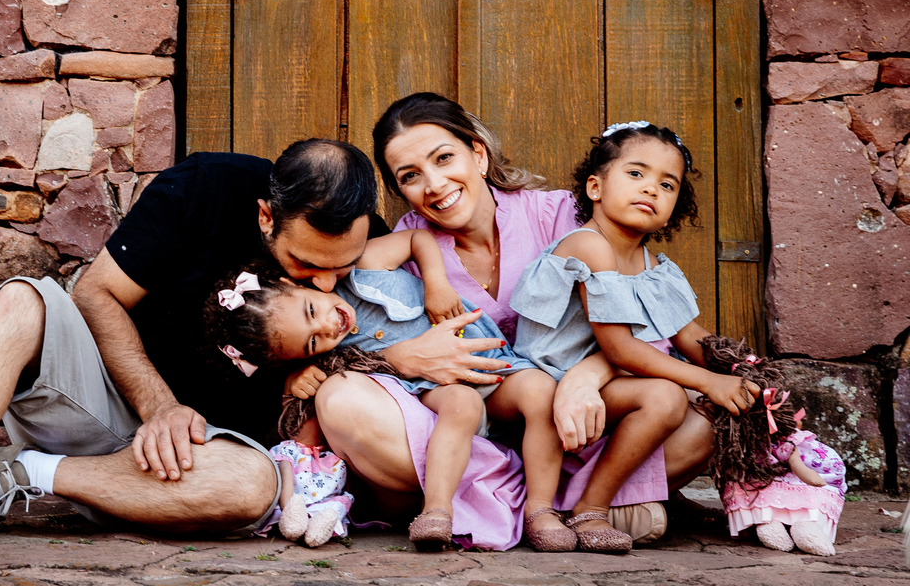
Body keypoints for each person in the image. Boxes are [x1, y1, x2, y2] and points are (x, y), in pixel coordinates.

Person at [0, 140, 381, 566]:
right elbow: (96, 293)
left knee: (253, 488)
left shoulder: (367, 238)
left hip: (197, 465)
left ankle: (22, 474)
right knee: (24, 302)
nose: (328, 285)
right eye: (308, 265)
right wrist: (158, 408)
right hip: (107, 397)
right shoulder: (203, 187)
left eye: (343, 268)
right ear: (265, 215)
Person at [310, 92, 716, 550]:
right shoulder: (406, 246)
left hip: (573, 425)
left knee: (696, 422)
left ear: (478, 154)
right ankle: (583, 505)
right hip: (473, 433)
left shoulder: (564, 215)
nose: (436, 184)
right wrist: (400, 358)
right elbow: (341, 319)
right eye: (410, 176)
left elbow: (636, 316)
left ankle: (554, 505)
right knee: (342, 401)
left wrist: (584, 377)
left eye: (445, 158)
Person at [205, 226, 572, 551]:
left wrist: (436, 283)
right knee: (461, 402)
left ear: (292, 284)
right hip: (427, 391)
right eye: (314, 342)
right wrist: (296, 382)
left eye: (313, 311)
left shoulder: (365, 266)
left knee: (540, 390)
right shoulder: (328, 360)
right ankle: (437, 511)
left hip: (492, 369)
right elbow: (304, 425)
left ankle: (541, 511)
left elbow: (417, 239)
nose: (329, 327)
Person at [510, 120, 760, 551]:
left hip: (606, 398)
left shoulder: (652, 264)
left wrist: (741, 369)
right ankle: (591, 508)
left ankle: (657, 496)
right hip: (551, 397)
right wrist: (708, 381)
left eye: (667, 185)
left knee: (709, 413)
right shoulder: (589, 246)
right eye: (636, 174)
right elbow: (620, 348)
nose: (651, 189)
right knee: (666, 396)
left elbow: (688, 336)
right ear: (595, 188)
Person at [699, 336, 845, 556]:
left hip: (789, 479)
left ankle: (803, 527)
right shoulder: (738, 448)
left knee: (785, 504)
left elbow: (803, 470)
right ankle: (766, 526)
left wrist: (814, 478)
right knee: (755, 502)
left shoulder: (786, 442)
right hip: (758, 478)